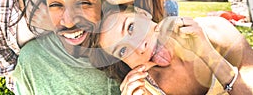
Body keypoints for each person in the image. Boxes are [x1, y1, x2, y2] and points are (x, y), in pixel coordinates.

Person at [12, 0, 120, 94]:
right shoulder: (32, 60)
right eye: (55, 4)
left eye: (83, 2)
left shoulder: (126, 54)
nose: (68, 22)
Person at [93, 5, 253, 94]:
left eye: (131, 27)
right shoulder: (143, 90)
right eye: (122, 51)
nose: (140, 47)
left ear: (143, 13)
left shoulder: (217, 30)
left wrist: (209, 54)